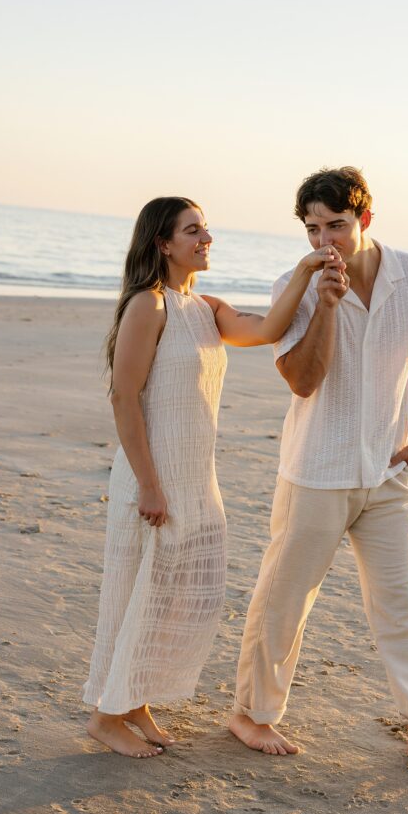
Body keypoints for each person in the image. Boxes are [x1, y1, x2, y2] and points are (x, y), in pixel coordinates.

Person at [229, 167, 408, 763]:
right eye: (313, 230)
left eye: (336, 226)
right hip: (316, 473)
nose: (324, 243)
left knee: (401, 602)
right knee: (285, 599)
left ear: (365, 219)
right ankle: (251, 714)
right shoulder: (294, 287)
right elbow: (302, 380)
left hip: (389, 475)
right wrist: (325, 306)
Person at [83, 196, 344, 758]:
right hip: (152, 477)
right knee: (139, 592)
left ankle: (135, 701)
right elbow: (123, 397)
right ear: (163, 243)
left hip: (196, 479)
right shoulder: (147, 307)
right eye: (193, 230)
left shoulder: (205, 307)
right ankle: (106, 717)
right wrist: (150, 484)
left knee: (179, 594)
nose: (206, 238)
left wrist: (305, 272)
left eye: (206, 229)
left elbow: (269, 327)